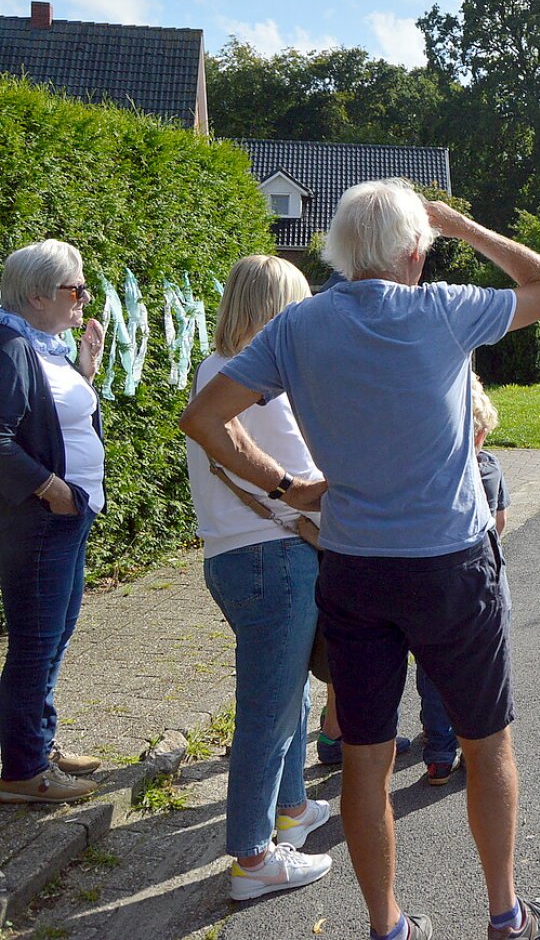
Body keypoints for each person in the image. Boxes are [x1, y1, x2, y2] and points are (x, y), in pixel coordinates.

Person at [181, 180, 540, 940]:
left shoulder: (297, 327)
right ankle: (505, 912)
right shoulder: (443, 309)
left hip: (355, 568)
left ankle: (388, 926)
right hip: (451, 563)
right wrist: (465, 223)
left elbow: (204, 420)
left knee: (363, 757)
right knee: (484, 741)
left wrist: (292, 488)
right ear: (414, 250)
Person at [183, 255, 334, 900]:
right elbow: (309, 473)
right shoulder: (260, 380)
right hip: (273, 555)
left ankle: (291, 808)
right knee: (269, 710)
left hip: (235, 555)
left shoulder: (213, 371)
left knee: (288, 693)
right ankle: (252, 856)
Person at [0, 240, 105, 804]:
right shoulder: (12, 345)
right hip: (40, 522)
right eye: (74, 288)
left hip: (67, 516)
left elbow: (56, 417)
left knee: (54, 636)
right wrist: (53, 489)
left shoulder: (46, 344)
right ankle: (23, 771)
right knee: (36, 642)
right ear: (37, 295)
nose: (83, 297)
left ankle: (37, 743)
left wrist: (85, 370)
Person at [416, 372, 509, 784]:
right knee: (477, 668)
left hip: (425, 571)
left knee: (431, 666)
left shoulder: (422, 468)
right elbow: (499, 522)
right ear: (482, 431)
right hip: (478, 575)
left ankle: (438, 752)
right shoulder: (489, 468)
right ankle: (476, 748)